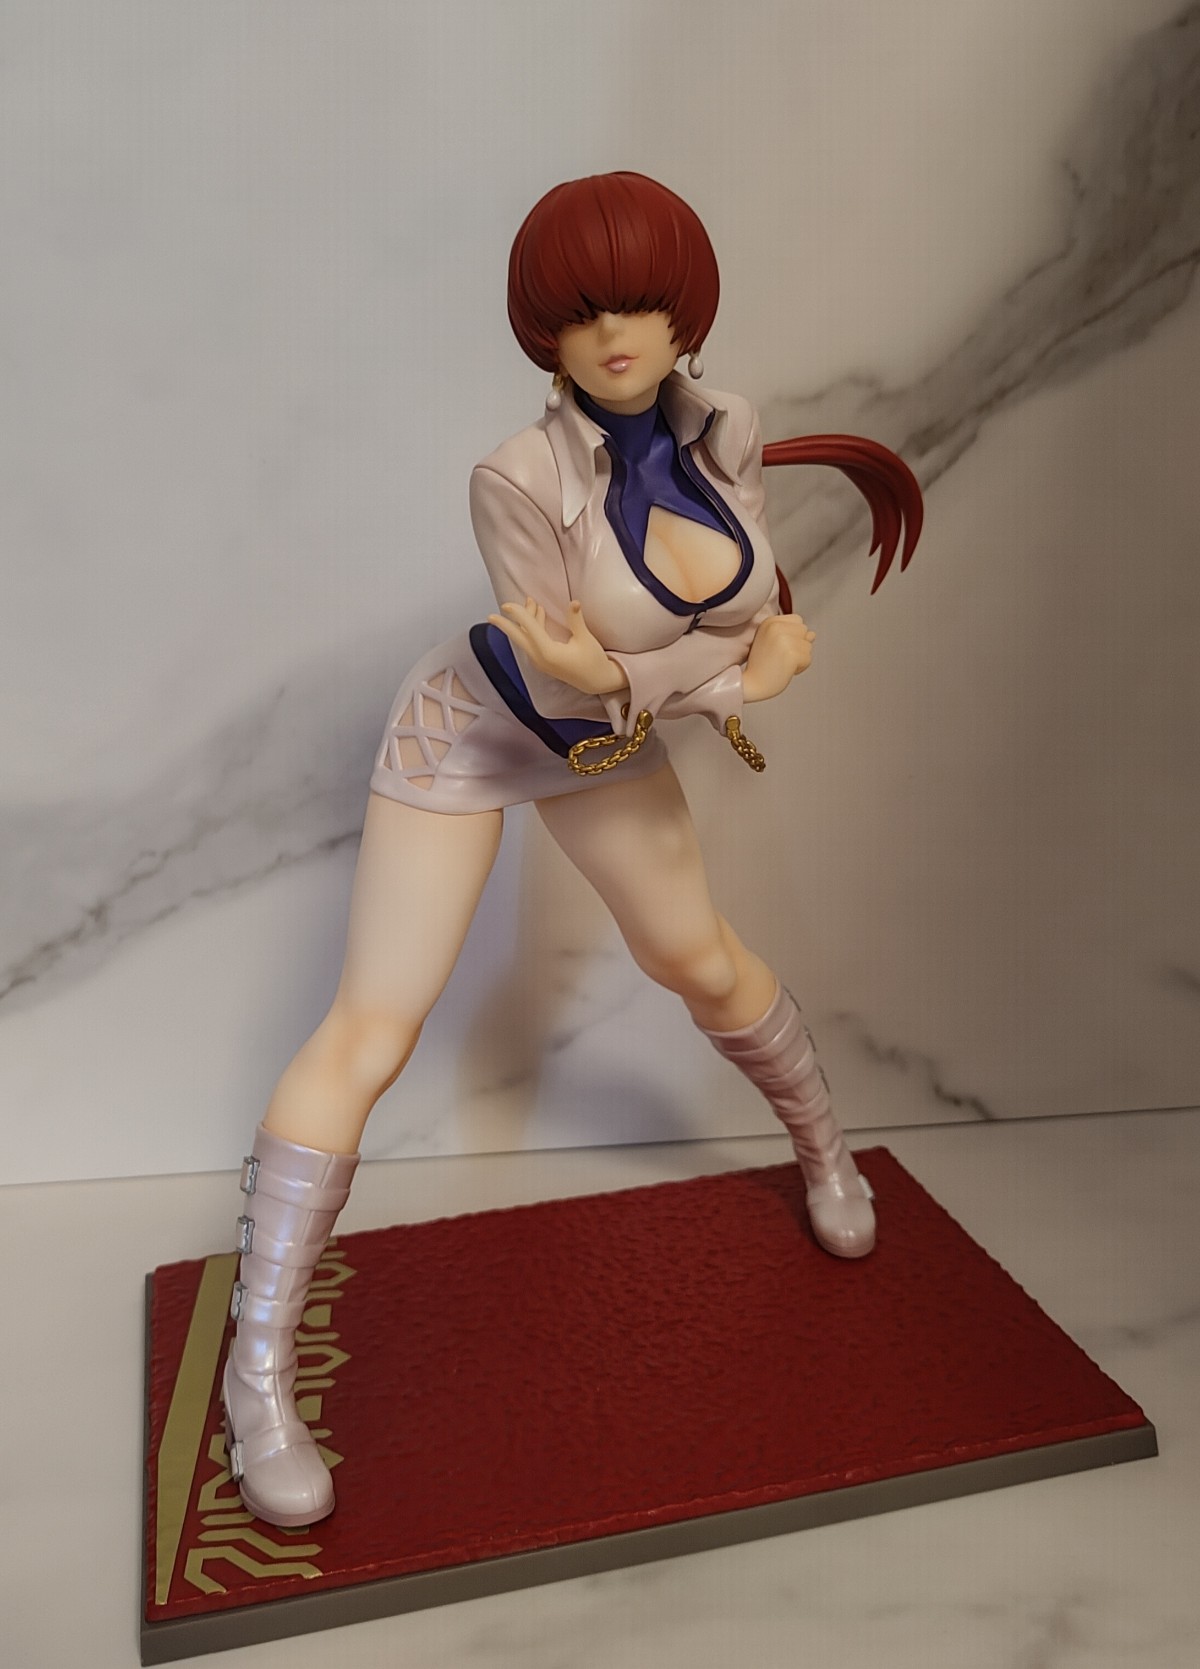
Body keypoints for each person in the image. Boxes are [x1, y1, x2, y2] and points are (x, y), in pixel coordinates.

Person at [221, 172, 922, 1529]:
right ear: (543, 327)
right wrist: (741, 680)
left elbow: (701, 629)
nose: (614, 333)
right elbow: (571, 670)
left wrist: (706, 660)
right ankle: (258, 1373)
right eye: (581, 308)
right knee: (375, 1023)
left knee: (699, 960)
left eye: (642, 303)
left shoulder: (728, 429)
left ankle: (828, 1152)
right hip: (475, 729)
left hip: (604, 739)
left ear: (684, 313)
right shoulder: (516, 476)